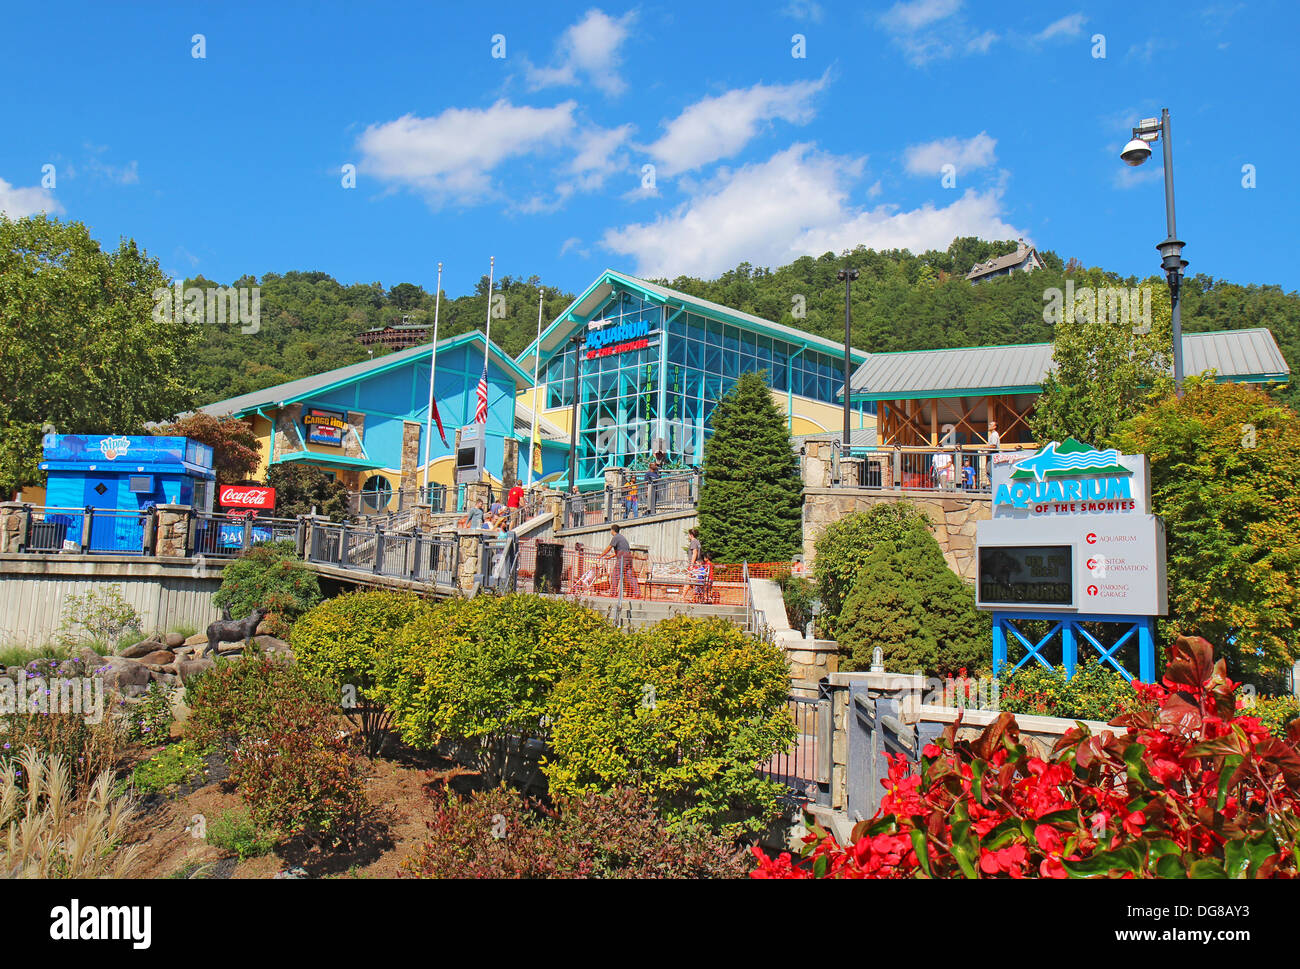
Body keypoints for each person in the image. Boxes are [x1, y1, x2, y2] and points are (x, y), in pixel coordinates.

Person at [599, 523, 639, 598]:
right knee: (630, 576)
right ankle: (637, 592)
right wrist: (610, 557)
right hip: (628, 557)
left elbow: (609, 548)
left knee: (615, 575)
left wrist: (601, 556)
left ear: (612, 530)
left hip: (622, 558)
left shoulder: (616, 537)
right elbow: (622, 550)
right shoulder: (622, 538)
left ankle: (613, 593)